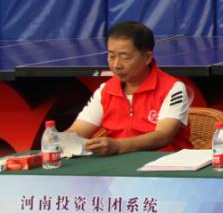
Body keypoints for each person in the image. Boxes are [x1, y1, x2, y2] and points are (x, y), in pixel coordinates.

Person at [66, 21, 192, 154]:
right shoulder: (105, 90)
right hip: (118, 163)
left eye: (125, 57)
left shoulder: (173, 88)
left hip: (165, 161)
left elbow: (163, 136)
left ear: (147, 57)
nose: (116, 65)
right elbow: (78, 131)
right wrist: (58, 139)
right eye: (111, 56)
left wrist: (118, 146)